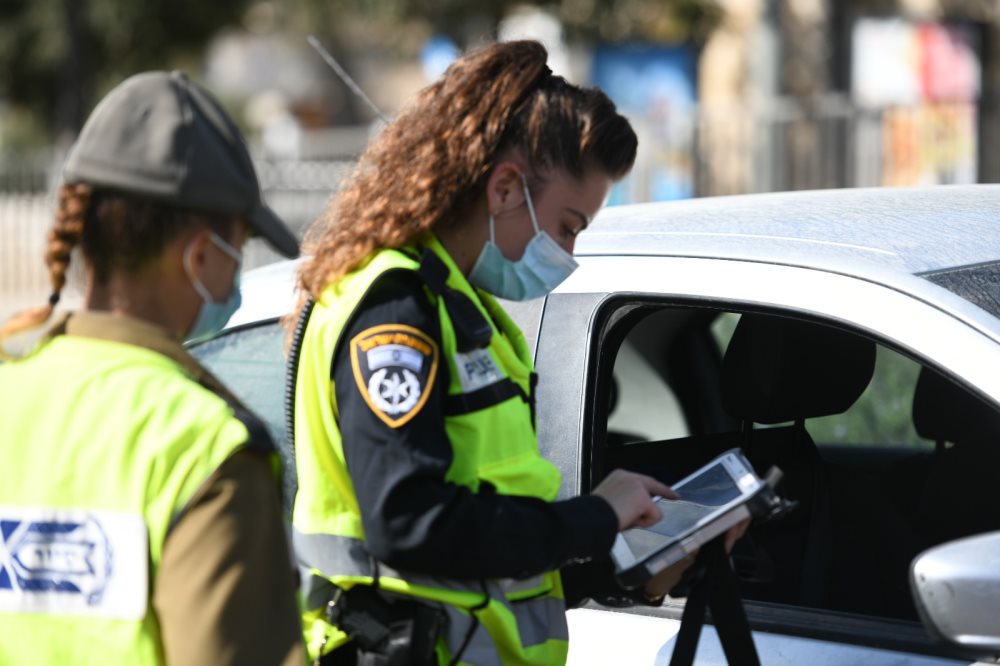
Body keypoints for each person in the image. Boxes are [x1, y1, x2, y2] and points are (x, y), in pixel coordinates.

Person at [288, 40, 745, 665]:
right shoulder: (395, 309)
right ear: (505, 188)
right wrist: (591, 518)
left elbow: (490, 555)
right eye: (567, 226)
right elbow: (409, 523)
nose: (568, 253)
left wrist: (629, 563)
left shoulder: (462, 309)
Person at [0, 71, 304, 665]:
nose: (239, 271)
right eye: (238, 248)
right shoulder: (207, 444)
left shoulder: (11, 388)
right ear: (197, 255)